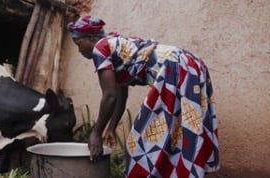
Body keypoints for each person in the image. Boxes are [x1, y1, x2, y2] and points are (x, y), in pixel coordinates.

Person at [67, 15, 219, 178]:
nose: (79, 50)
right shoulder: (113, 45)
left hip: (175, 69)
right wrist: (110, 128)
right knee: (181, 134)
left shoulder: (100, 48)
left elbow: (109, 96)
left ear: (90, 38)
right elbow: (120, 96)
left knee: (140, 144)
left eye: (78, 44)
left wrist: (96, 133)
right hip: (189, 64)